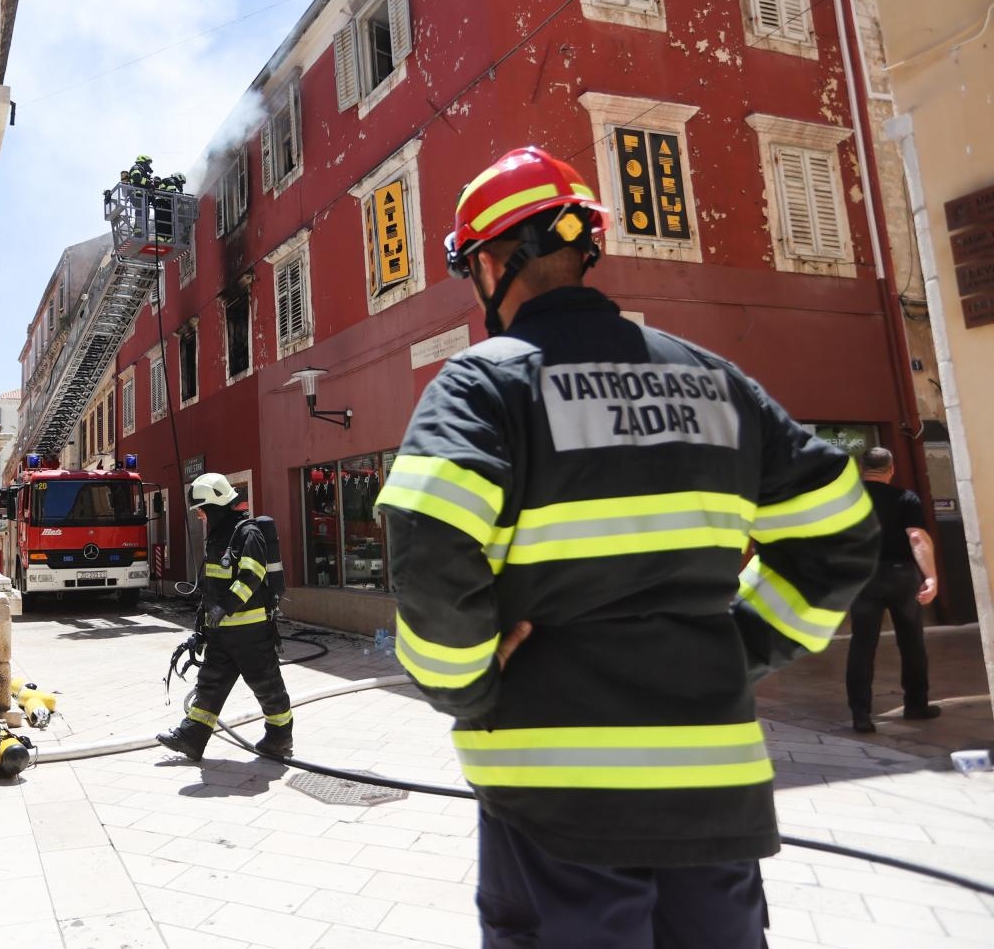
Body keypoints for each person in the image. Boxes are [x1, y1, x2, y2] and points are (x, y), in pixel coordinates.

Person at [377, 147, 880, 948]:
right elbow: (842, 531)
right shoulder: (716, 383)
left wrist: (464, 688)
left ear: (492, 261)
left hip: (556, 798)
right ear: (585, 247)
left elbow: (429, 536)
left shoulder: (484, 384)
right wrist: (743, 645)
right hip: (714, 795)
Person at [157, 472, 292, 762]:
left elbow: (252, 575)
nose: (201, 517)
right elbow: (212, 586)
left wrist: (225, 607)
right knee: (210, 683)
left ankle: (279, 737)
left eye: (203, 511)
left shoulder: (247, 533)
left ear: (217, 505)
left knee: (265, 684)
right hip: (221, 632)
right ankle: (192, 737)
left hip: (250, 630)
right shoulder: (218, 537)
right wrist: (204, 622)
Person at [846, 446, 940, 732]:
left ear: (862, 469)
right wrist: (932, 577)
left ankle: (861, 716)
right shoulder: (906, 498)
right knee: (912, 642)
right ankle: (916, 705)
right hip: (901, 577)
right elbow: (917, 538)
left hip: (862, 577)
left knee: (862, 645)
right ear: (891, 469)